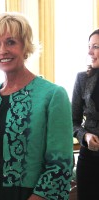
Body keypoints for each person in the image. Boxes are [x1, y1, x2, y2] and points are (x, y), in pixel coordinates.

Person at [0, 12, 73, 200]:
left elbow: (60, 166)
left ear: (25, 46)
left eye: (11, 42)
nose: (3, 50)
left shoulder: (52, 95)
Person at [72, 29, 99, 200]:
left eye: (95, 47)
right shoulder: (82, 78)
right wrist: (85, 136)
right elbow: (72, 121)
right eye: (89, 46)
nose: (89, 52)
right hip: (89, 160)